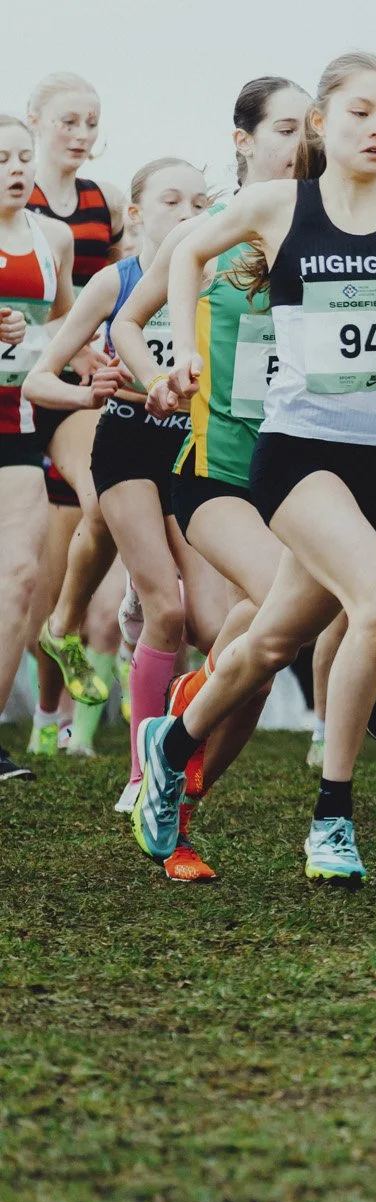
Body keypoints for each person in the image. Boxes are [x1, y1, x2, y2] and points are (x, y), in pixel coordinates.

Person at [130, 50, 376, 882]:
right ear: (323, 122)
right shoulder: (282, 204)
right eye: (361, 112)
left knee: (270, 640)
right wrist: (181, 353)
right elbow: (183, 254)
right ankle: (332, 820)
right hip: (296, 455)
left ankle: (170, 748)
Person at [27, 156, 209, 814]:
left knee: (206, 627)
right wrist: (89, 393)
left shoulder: (224, 279)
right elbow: (38, 380)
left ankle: (181, 749)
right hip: (127, 442)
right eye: (171, 200)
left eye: (199, 200)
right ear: (136, 215)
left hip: (196, 454)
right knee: (164, 606)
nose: (189, 212)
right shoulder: (115, 282)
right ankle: (139, 776)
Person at [27, 72, 125, 712]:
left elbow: (120, 290)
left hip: (75, 391)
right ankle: (43, 708)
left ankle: (62, 635)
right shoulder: (16, 197)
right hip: (20, 384)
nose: (82, 134)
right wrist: (66, 335)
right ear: (34, 120)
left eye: (91, 122)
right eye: (68, 120)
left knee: (104, 500)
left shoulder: (104, 202)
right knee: (31, 557)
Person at [0, 113, 78, 783]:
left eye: (23, 157)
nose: (16, 169)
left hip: (14, 425)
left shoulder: (52, 238)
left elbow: (62, 321)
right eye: (1, 158)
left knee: (21, 577)